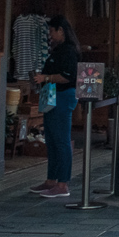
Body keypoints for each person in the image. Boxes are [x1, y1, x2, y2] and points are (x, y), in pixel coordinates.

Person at [30, 15, 80, 199]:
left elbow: (68, 76)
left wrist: (46, 78)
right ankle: (51, 180)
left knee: (61, 140)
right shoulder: (57, 50)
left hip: (62, 95)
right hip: (50, 95)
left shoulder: (68, 51)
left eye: (52, 31)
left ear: (61, 30)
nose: (50, 35)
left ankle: (62, 183)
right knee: (51, 139)